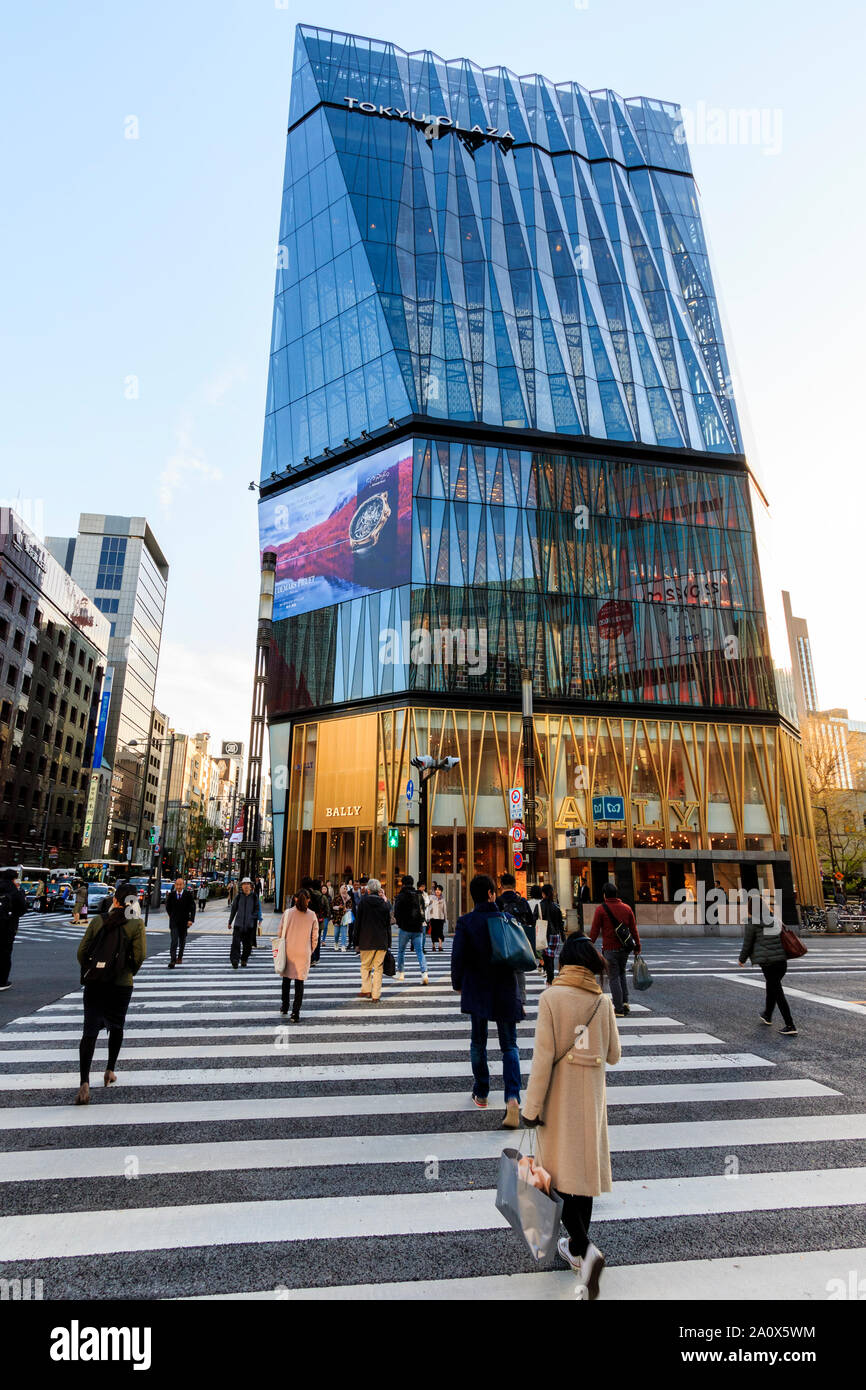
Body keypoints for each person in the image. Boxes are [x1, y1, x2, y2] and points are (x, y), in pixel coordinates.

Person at [523, 934, 621, 1298]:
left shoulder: (551, 998)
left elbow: (542, 1061)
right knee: (583, 1177)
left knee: (556, 1180)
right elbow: (614, 1055)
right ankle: (578, 1250)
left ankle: (585, 1246)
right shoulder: (602, 1001)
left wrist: (531, 1109)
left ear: (563, 963)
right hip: (590, 1102)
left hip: (558, 1103)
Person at [451, 873, 524, 1128]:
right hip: (504, 988)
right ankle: (513, 1097)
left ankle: (481, 1092)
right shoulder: (506, 919)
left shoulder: (466, 922)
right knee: (509, 1046)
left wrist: (458, 984)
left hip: (478, 988)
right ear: (492, 894)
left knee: (478, 1041)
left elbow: (458, 957)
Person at [74, 880, 147, 1105]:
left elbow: (81, 952)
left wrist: (92, 970)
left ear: (115, 900)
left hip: (96, 983)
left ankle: (84, 1082)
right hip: (121, 983)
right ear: (132, 902)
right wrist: (128, 971)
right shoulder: (136, 924)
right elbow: (140, 955)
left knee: (90, 1031)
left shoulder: (99, 920)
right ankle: (109, 1070)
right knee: (117, 1026)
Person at [589, 882, 641, 1017]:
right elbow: (633, 930)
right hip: (625, 948)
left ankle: (618, 1008)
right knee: (622, 974)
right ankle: (625, 1003)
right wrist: (637, 946)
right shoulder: (627, 908)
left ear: (605, 895)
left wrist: (589, 944)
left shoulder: (601, 909)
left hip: (610, 949)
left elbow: (595, 930)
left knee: (613, 977)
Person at [739, 917, 798, 1034]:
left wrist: (742, 959)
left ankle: (790, 1025)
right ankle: (768, 1014)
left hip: (768, 962)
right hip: (781, 961)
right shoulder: (775, 919)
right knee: (772, 986)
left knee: (776, 990)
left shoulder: (752, 923)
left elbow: (748, 942)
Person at [276, 888, 319, 1021]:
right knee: (299, 983)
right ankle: (295, 1013)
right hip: (303, 952)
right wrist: (310, 950)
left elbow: (280, 933)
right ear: (308, 900)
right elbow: (315, 937)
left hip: (289, 951)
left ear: (295, 898)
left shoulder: (287, 913)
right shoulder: (312, 915)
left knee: (286, 980)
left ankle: (284, 1006)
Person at [497, 872, 535, 1000]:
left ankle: (505, 999)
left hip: (502, 942)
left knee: (503, 972)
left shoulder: (497, 902)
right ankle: (521, 999)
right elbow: (531, 921)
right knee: (519, 971)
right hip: (520, 941)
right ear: (514, 885)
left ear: (501, 885)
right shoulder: (522, 901)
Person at [354, 877, 391, 1002]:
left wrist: (356, 941)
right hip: (381, 941)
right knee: (378, 968)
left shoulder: (363, 903)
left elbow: (357, 923)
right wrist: (388, 942)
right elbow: (388, 925)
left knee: (365, 966)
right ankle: (376, 995)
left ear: (368, 890)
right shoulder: (384, 904)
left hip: (366, 940)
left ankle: (367, 989)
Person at [394, 874, 429, 984]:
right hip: (418, 927)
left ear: (403, 884)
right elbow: (423, 909)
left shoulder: (401, 895)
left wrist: (400, 923)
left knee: (401, 950)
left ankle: (400, 973)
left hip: (405, 928)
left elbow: (397, 912)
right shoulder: (419, 895)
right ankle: (424, 974)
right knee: (419, 952)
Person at [0, 868, 28, 992]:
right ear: (14, 878)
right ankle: (2, 981)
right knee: (5, 953)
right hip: (8, 926)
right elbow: (23, 909)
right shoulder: (15, 891)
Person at [228, 877, 261, 968]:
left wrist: (253, 918)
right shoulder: (238, 897)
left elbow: (257, 910)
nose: (246, 886)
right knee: (235, 944)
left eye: (248, 884)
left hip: (249, 926)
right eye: (244, 884)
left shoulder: (254, 897)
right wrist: (230, 922)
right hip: (238, 925)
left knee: (248, 946)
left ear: (251, 886)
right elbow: (234, 910)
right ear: (241, 886)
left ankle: (244, 959)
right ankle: (235, 960)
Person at [165, 876, 196, 969]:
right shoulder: (171, 895)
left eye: (180, 884)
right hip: (174, 922)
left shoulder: (188, 895)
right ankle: (173, 960)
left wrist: (191, 920)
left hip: (184, 922)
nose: (178, 886)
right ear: (175, 885)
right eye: (177, 885)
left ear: (183, 885)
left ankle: (180, 957)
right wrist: (171, 916)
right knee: (174, 941)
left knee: (182, 941)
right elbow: (168, 907)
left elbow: (193, 908)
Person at [540, 883, 565, 986]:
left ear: (543, 894)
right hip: (555, 935)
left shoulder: (540, 905)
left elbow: (534, 919)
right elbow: (560, 923)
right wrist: (563, 936)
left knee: (547, 957)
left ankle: (550, 979)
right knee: (551, 957)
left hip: (544, 934)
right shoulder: (556, 906)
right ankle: (550, 978)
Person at [427, 883, 447, 951]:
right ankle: (433, 946)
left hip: (441, 917)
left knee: (440, 931)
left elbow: (445, 909)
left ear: (441, 891)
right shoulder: (431, 897)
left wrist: (445, 918)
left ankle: (440, 946)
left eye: (439, 890)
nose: (437, 891)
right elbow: (428, 906)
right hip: (433, 917)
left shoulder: (443, 899)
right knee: (433, 932)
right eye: (436, 890)